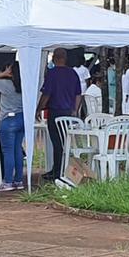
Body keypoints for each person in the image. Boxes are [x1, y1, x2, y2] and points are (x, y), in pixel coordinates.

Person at [38, 48, 82, 181]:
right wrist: (75, 110)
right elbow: (79, 94)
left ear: (54, 58)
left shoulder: (52, 74)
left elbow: (46, 94)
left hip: (55, 112)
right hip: (68, 112)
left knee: (57, 143)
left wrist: (39, 108)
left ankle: (58, 171)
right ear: (65, 58)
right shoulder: (73, 73)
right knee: (66, 142)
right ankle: (61, 169)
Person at [0, 61, 25, 191]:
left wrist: (3, 73)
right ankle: (18, 180)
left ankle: (8, 181)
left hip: (8, 119)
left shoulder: (6, 84)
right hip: (22, 117)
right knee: (17, 150)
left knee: (8, 151)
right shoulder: (25, 84)